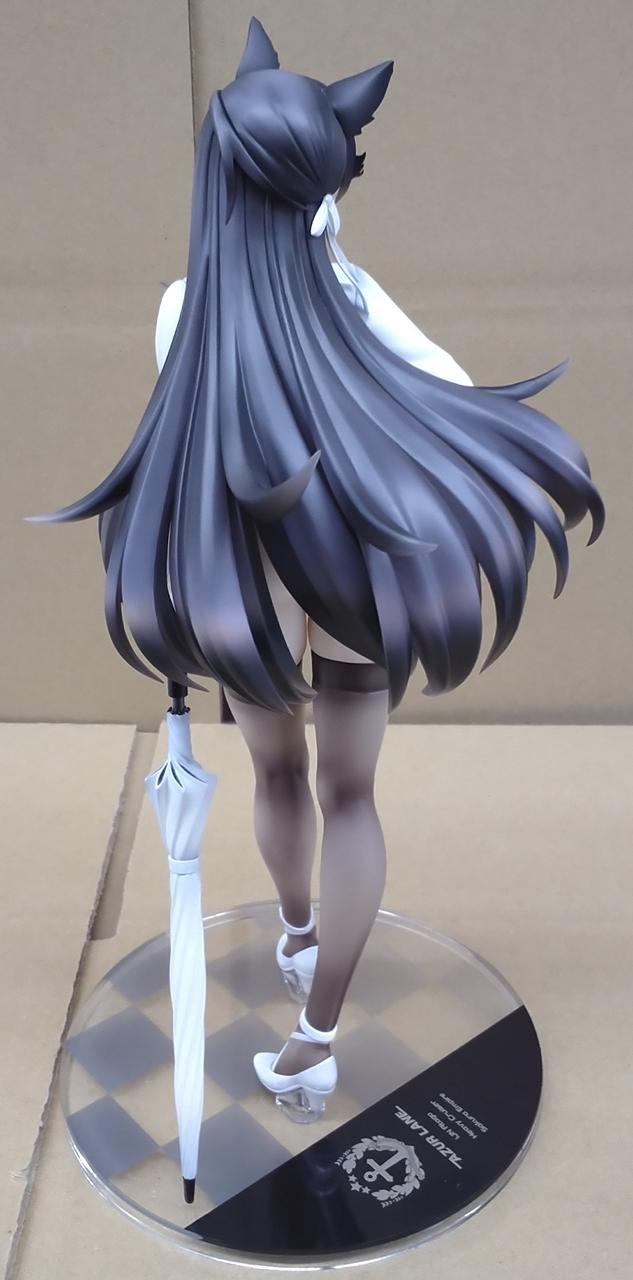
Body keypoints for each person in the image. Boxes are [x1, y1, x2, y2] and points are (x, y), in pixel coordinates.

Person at [27, 17, 605, 1115]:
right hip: (349, 574)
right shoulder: (351, 299)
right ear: (317, 188)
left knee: (280, 776)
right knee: (348, 791)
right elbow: (451, 387)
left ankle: (297, 933)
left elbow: (188, 454)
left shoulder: (184, 311)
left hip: (249, 584)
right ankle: (319, 1033)